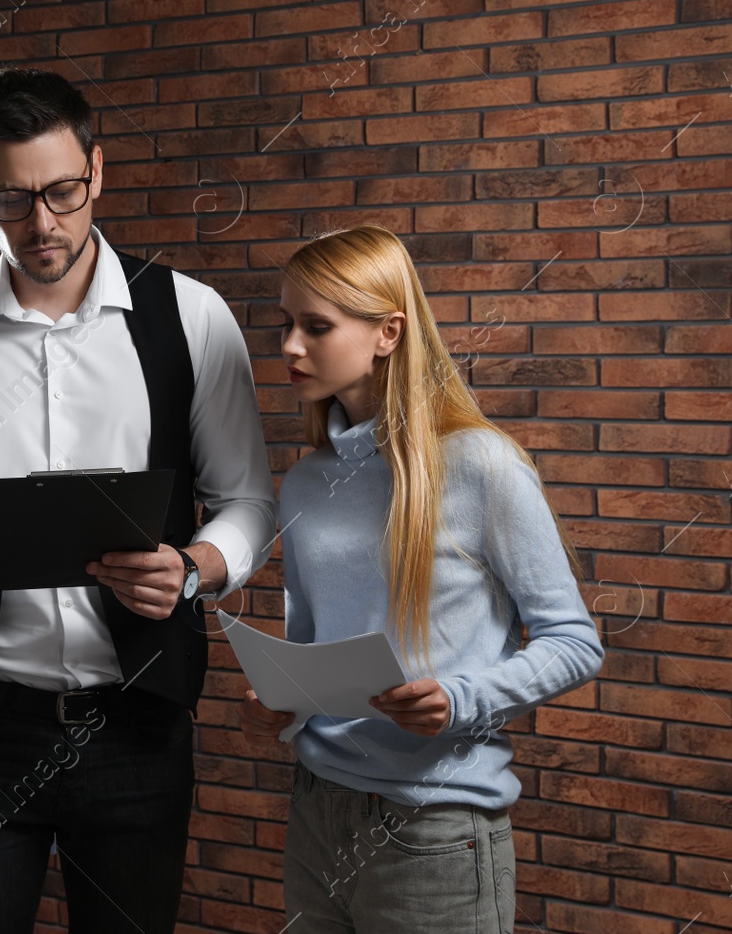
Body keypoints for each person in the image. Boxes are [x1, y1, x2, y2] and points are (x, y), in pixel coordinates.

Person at [0, 66, 279, 933]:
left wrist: (194, 567)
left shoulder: (190, 317)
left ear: (99, 169)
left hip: (135, 730)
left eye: (61, 190)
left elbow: (248, 502)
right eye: (11, 199)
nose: (42, 223)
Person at [238, 225, 604, 933]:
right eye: (285, 323)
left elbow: (574, 640)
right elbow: (314, 651)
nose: (289, 345)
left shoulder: (481, 465)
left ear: (387, 332)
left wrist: (461, 698)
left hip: (436, 829)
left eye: (316, 326)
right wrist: (282, 703)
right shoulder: (307, 481)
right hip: (318, 809)